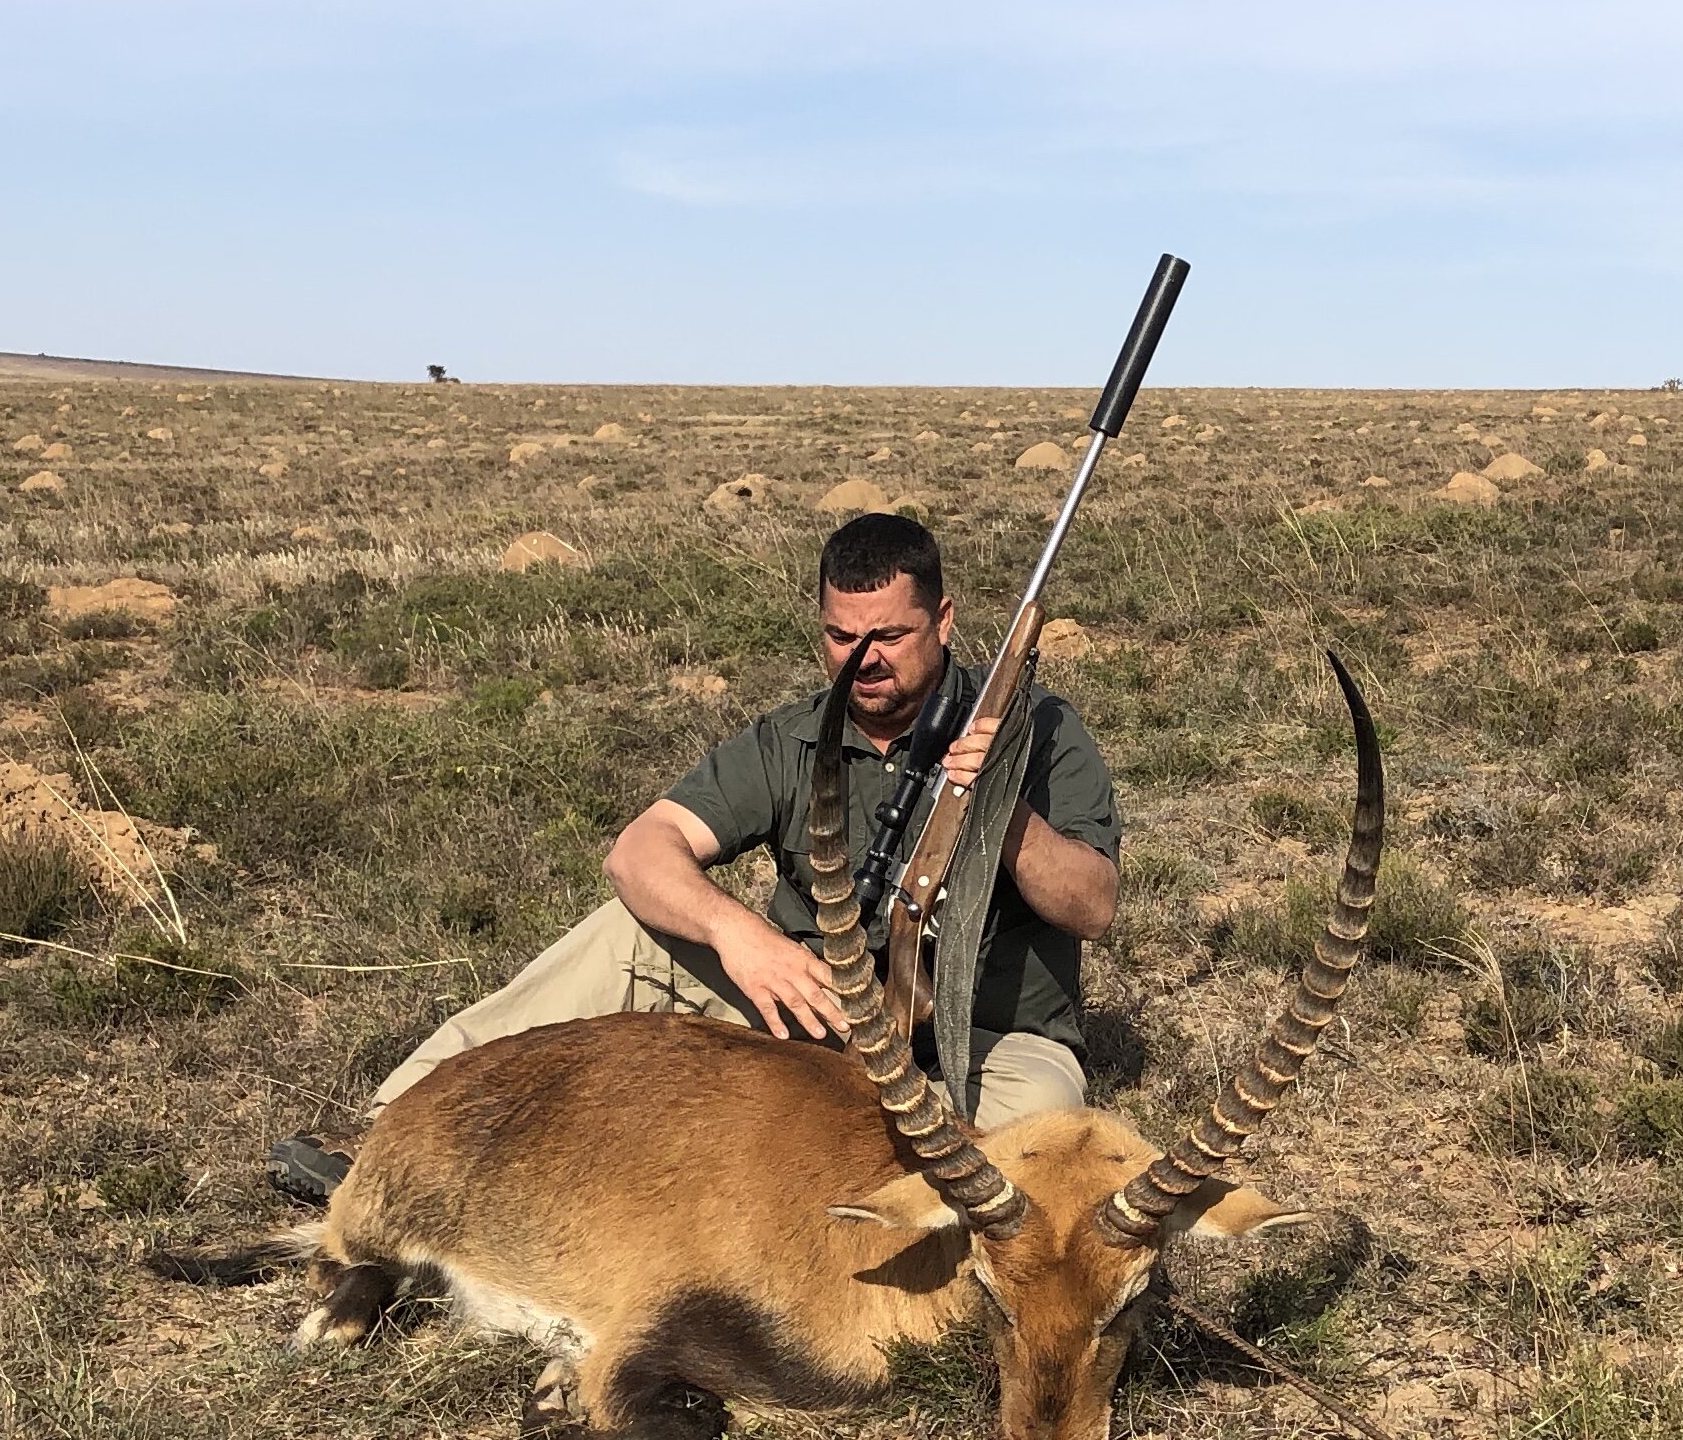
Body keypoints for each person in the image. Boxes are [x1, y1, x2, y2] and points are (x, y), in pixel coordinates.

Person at [272, 513, 1119, 1198]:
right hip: (822, 1011)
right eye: (839, 636)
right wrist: (739, 935)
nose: (863, 660)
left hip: (995, 1036)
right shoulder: (791, 736)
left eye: (891, 635)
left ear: (944, 619)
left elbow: (1093, 907)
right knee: (627, 932)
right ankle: (385, 1135)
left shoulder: (1038, 730)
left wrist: (1003, 815)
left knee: (1035, 1154)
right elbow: (640, 851)